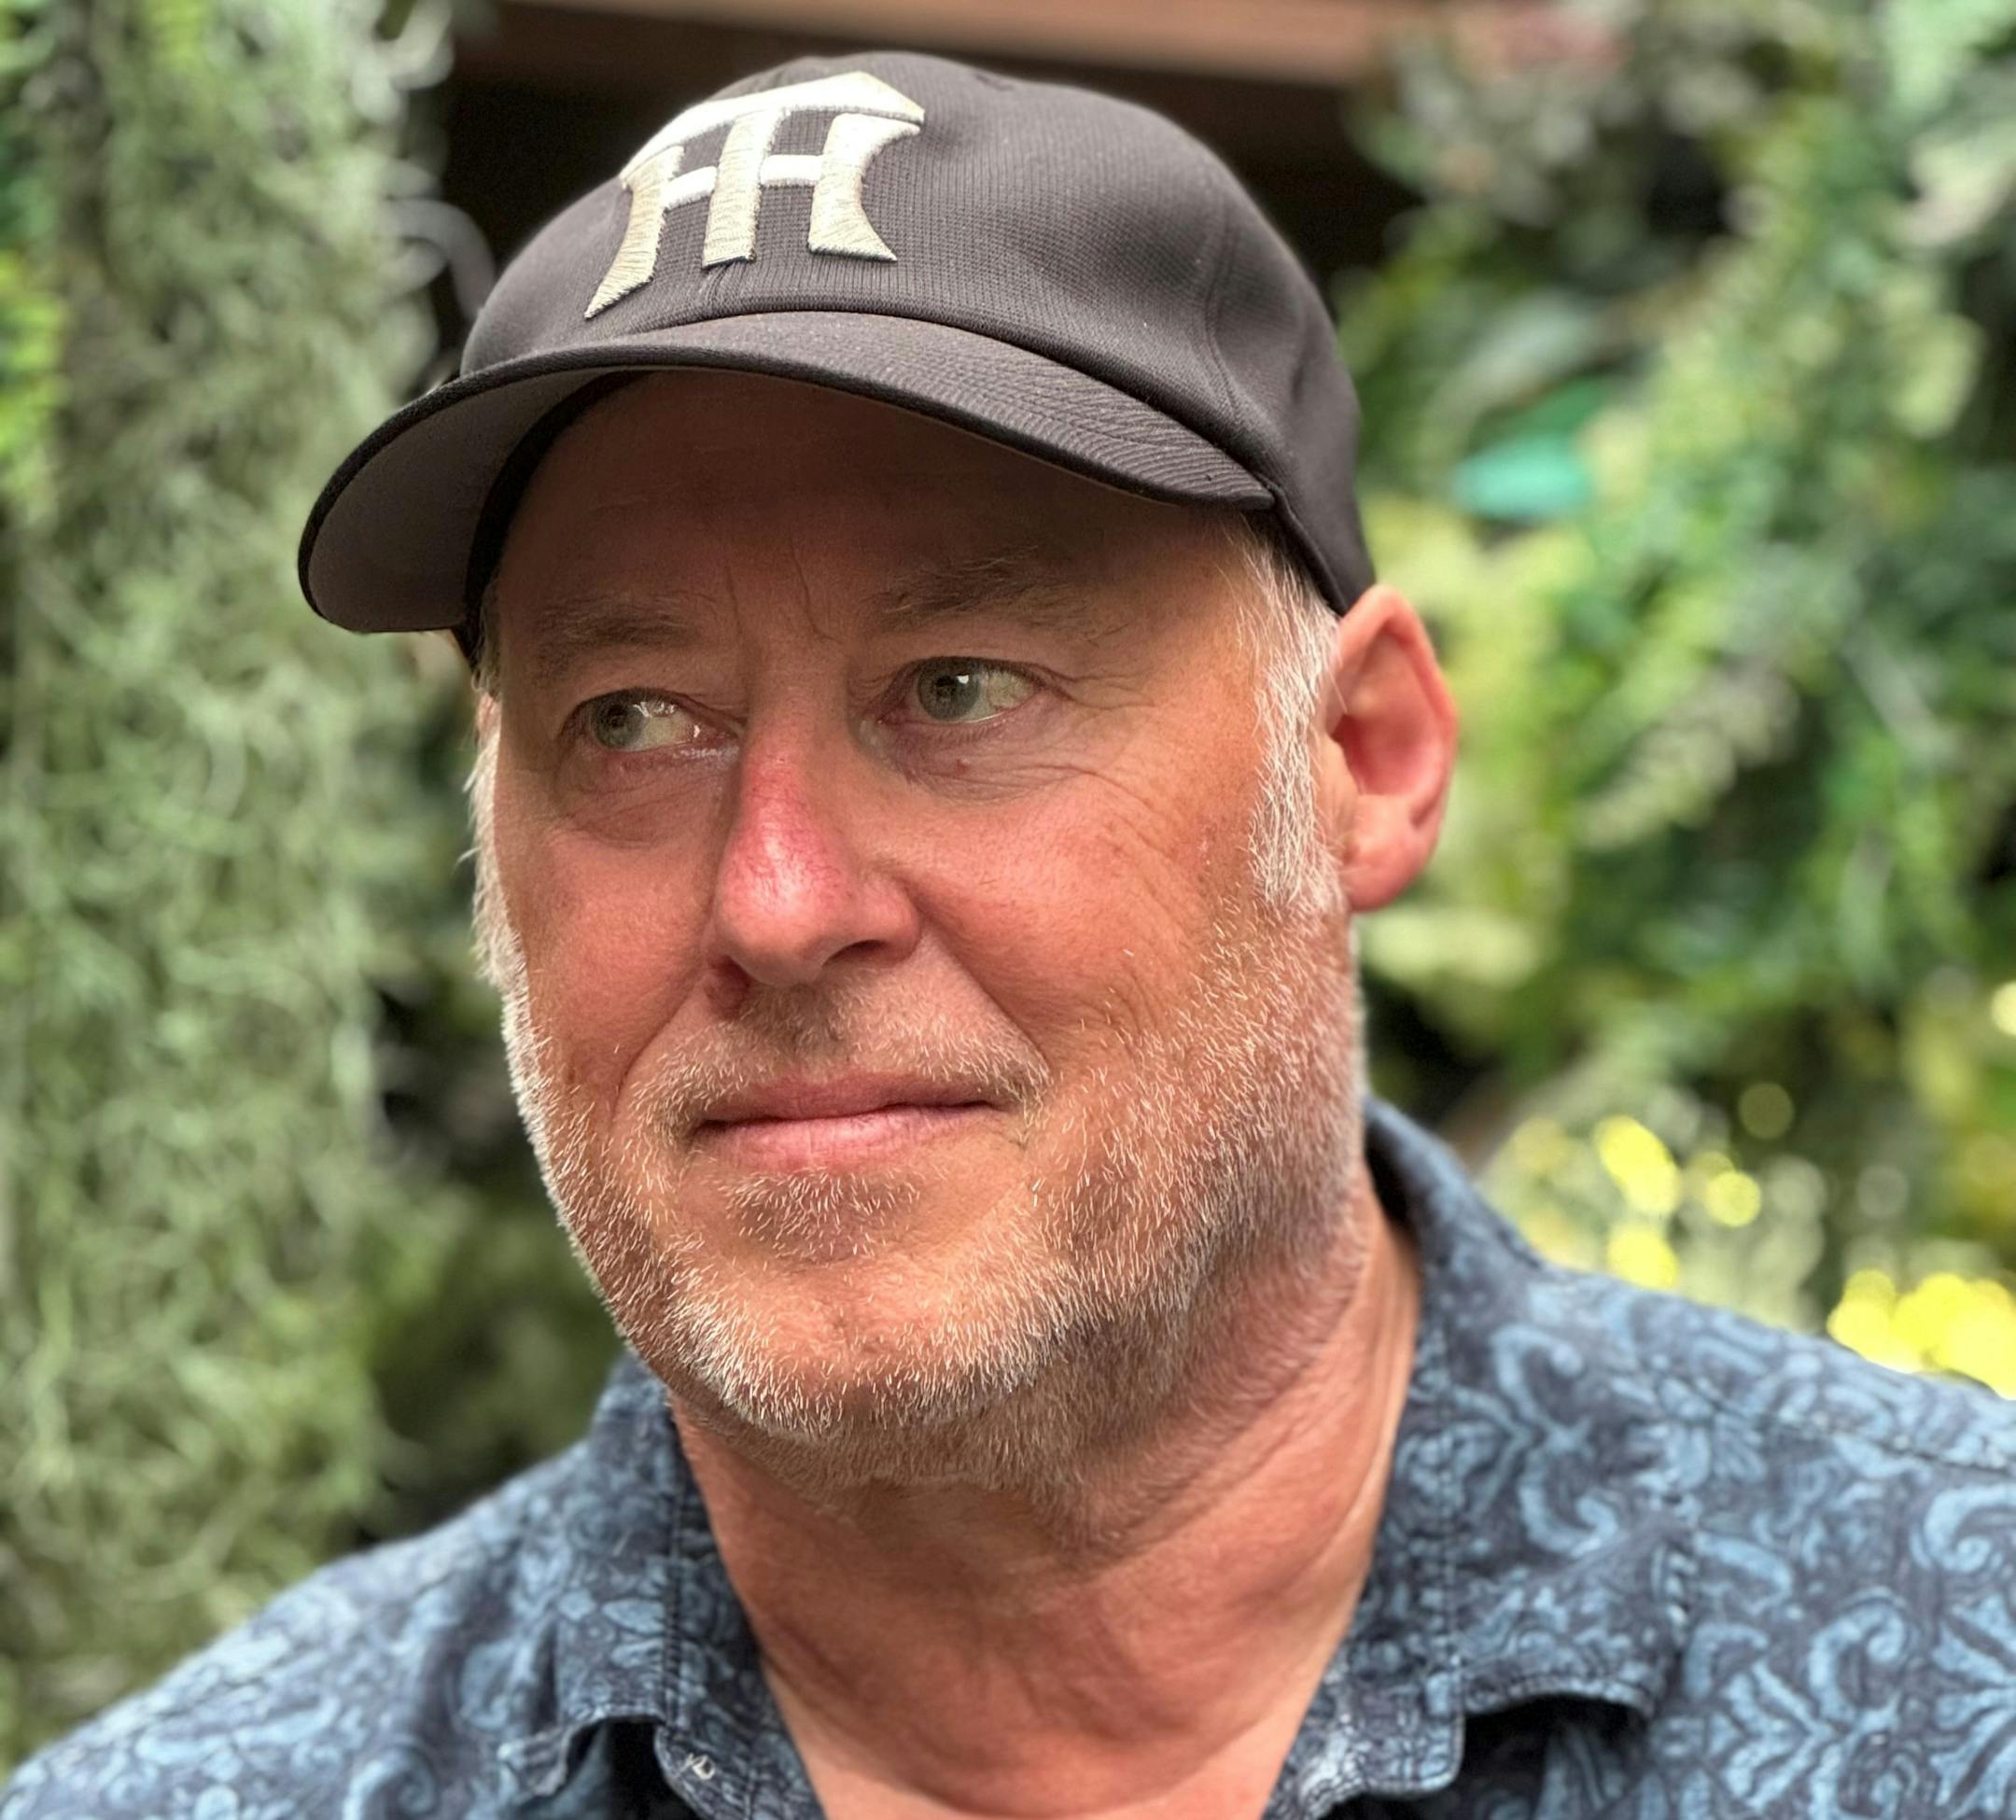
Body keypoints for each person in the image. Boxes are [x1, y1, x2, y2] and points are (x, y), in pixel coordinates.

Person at [7, 47, 2015, 1820]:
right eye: (633, 722)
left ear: (1367, 761)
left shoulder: (1951, 1661)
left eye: (961, 688)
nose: (779, 905)